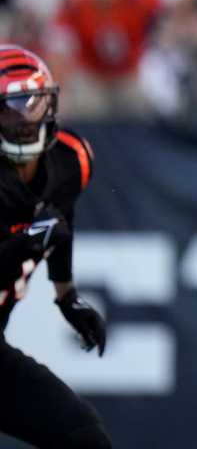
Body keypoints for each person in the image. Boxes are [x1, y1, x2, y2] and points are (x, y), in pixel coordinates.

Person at [0, 44, 110, 448]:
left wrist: (67, 296)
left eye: (31, 105)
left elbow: (60, 218)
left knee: (83, 437)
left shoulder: (69, 158)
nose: (23, 120)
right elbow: (44, 230)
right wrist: (24, 243)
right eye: (9, 108)